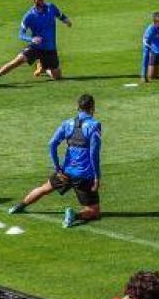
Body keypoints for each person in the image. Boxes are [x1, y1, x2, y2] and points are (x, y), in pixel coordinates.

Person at [11, 94, 103, 227]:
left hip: (65, 171)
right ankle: (73, 216)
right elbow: (94, 153)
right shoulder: (94, 126)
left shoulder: (67, 124)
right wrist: (96, 177)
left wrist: (57, 167)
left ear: (78, 107)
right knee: (94, 211)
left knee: (44, 189)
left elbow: (52, 144)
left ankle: (19, 206)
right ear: (93, 107)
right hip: (83, 175)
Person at [0, 0, 72, 86]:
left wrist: (66, 20)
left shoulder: (51, 7)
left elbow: (60, 15)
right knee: (17, 61)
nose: (41, 1)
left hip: (50, 49)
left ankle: (43, 68)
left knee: (57, 77)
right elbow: (21, 34)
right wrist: (32, 39)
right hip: (35, 47)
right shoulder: (29, 16)